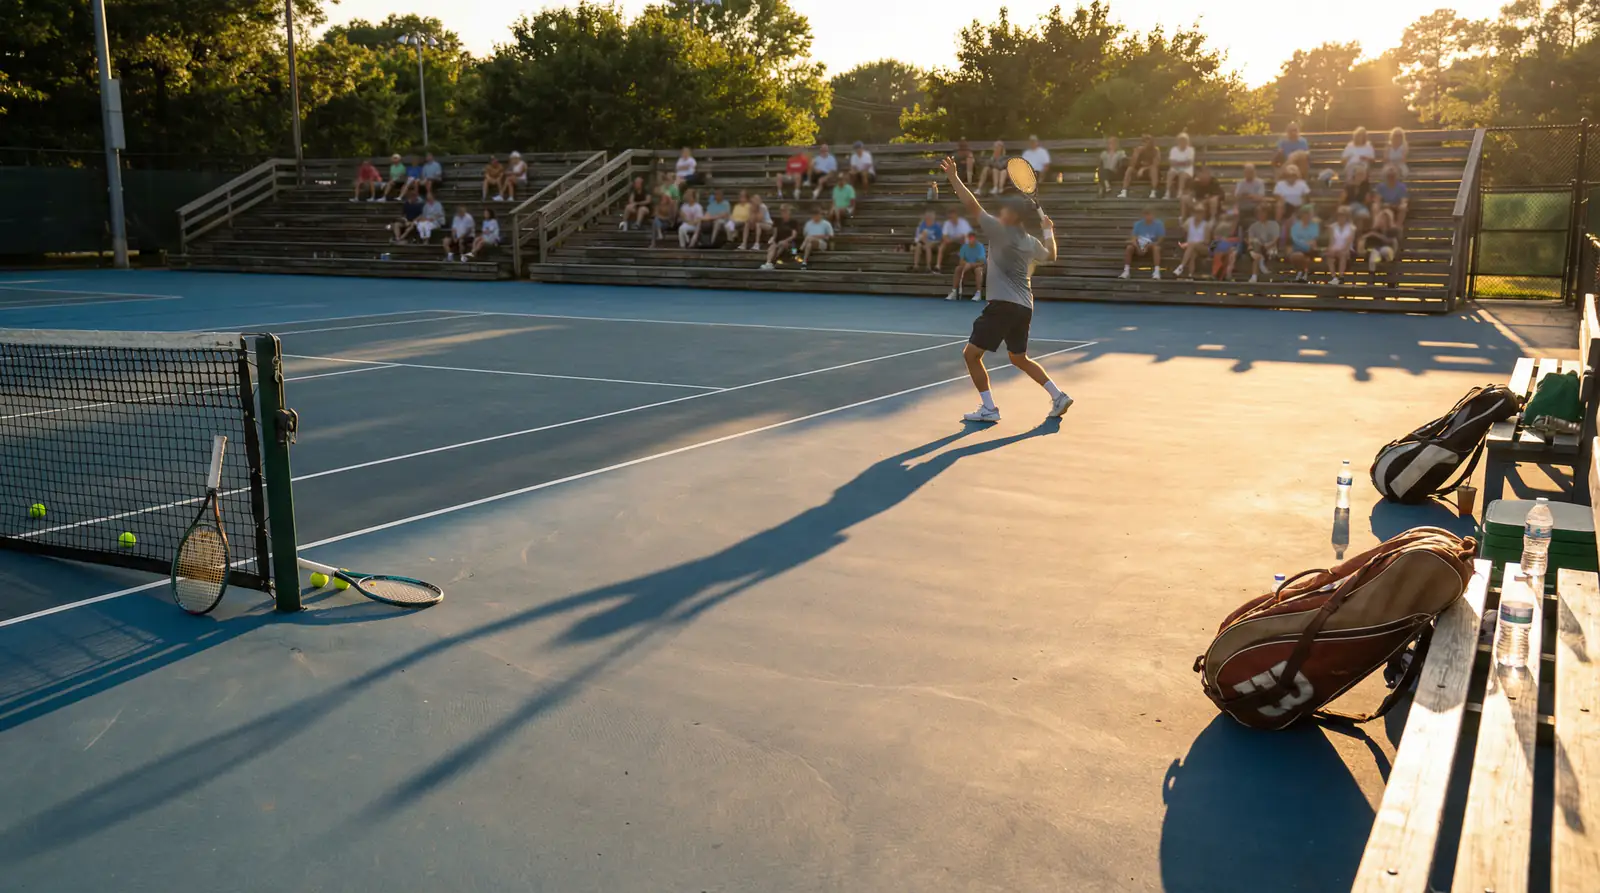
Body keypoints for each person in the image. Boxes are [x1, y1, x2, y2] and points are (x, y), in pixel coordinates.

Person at [939, 155, 1072, 423]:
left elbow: (972, 205)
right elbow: (1051, 255)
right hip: (1025, 308)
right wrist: (1049, 231)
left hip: (1002, 306)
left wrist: (954, 177)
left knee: (971, 355)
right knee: (1019, 358)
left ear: (1012, 216)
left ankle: (988, 408)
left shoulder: (999, 230)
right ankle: (1058, 396)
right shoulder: (1031, 241)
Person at [1120, 207, 1165, 279]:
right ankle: (1126, 271)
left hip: (1151, 245)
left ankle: (1156, 272)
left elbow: (1161, 238)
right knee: (1129, 248)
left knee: (1156, 248)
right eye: (1146, 215)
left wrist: (1150, 245)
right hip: (1139, 244)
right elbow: (1134, 238)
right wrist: (1138, 248)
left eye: (1150, 215)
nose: (1148, 217)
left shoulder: (1158, 224)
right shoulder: (1138, 224)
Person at [1273, 164, 1312, 242]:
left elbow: (1306, 197)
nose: (1291, 177)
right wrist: (1284, 203)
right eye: (1289, 175)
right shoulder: (1280, 184)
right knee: (1279, 205)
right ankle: (1279, 225)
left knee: (1307, 208)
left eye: (1293, 175)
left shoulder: (1302, 184)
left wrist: (1301, 206)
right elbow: (1277, 197)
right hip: (1285, 207)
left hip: (1298, 207)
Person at [1172, 204, 1212, 279]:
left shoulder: (1206, 225)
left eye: (1200, 212)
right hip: (1190, 247)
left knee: (1192, 245)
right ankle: (1190, 274)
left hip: (1203, 247)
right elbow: (1182, 231)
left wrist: (1192, 244)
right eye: (1197, 212)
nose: (1198, 214)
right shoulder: (1189, 221)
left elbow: (1207, 241)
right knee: (1192, 253)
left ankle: (1181, 267)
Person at [1245, 203, 1280, 283]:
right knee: (1256, 247)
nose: (1260, 215)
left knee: (1259, 253)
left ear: (1267, 213)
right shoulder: (1253, 226)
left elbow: (1276, 239)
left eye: (1262, 212)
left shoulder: (1274, 224)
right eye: (1258, 213)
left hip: (1270, 248)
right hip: (1257, 247)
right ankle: (1256, 272)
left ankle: (1255, 275)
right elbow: (1250, 240)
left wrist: (1268, 245)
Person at [1361, 208, 1401, 277]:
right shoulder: (1375, 230)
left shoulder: (1393, 230)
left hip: (1390, 252)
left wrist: (1376, 235)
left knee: (1385, 250)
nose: (1383, 221)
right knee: (1374, 254)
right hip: (1378, 252)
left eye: (1385, 219)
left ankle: (1389, 270)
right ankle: (1371, 277)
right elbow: (1364, 238)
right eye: (1382, 218)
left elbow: (1391, 241)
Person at [948, 231, 987, 301]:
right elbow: (961, 261)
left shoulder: (980, 247)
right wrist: (966, 264)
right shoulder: (964, 247)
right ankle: (954, 292)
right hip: (967, 267)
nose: (971, 239)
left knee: (978, 270)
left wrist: (971, 265)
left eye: (972, 237)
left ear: (976, 238)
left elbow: (981, 262)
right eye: (969, 238)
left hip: (977, 267)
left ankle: (978, 293)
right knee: (958, 268)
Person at [760, 206, 801, 270]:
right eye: (783, 212)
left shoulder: (793, 222)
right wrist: (773, 240)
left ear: (789, 213)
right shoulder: (778, 221)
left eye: (786, 212)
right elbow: (775, 234)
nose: (784, 213)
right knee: (773, 246)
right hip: (778, 242)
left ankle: (773, 262)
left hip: (790, 243)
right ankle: (768, 263)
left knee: (782, 244)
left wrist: (785, 241)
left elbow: (793, 236)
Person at [1287, 205, 1321, 283]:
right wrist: (1305, 243)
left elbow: (1313, 239)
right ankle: (1304, 272)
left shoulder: (1315, 226)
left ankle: (1301, 273)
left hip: (1310, 249)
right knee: (1296, 256)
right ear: (1303, 214)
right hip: (1298, 248)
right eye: (1307, 214)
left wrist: (1304, 242)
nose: (1309, 216)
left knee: (1305, 256)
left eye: (1310, 214)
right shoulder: (1295, 226)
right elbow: (1295, 239)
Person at [1120, 135, 1161, 199]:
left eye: (1148, 142)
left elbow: (1156, 164)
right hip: (1138, 172)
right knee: (1130, 169)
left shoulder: (1156, 151)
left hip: (1150, 172)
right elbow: (1132, 164)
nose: (1146, 144)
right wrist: (1135, 154)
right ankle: (1124, 191)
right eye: (1144, 142)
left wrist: (1143, 169)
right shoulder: (1139, 150)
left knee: (1154, 169)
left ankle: (1153, 191)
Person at [1326, 205, 1357, 285]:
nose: (1340, 217)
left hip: (1347, 249)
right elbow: (1331, 242)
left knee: (1343, 254)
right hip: (1335, 248)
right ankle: (1334, 277)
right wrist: (1331, 249)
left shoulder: (1352, 228)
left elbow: (1348, 243)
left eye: (1342, 215)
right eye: (1339, 215)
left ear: (1346, 217)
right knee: (1329, 255)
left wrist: (1341, 250)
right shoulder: (1332, 227)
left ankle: (1341, 277)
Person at [1341, 163, 1375, 229]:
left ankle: (1358, 234)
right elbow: (1342, 199)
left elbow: (1367, 201)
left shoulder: (1366, 186)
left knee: (1362, 215)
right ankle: (1349, 231)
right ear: (1355, 175)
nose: (1361, 176)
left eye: (1363, 174)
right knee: (1347, 212)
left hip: (1361, 206)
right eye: (1359, 174)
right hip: (1349, 205)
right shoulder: (1348, 185)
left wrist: (1367, 200)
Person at [1210, 210, 1241, 280]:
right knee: (1220, 250)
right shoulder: (1216, 228)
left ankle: (1219, 274)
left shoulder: (1236, 230)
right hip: (1216, 245)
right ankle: (1216, 273)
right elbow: (1212, 246)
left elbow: (1235, 238)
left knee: (1229, 252)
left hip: (1229, 246)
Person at [1165, 132, 1195, 200]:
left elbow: (1189, 163)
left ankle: (1180, 193)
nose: (1182, 142)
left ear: (1187, 141)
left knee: (1182, 174)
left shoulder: (1191, 150)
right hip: (1175, 168)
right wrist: (1182, 162)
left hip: (1187, 169)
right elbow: (1171, 162)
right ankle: (1167, 192)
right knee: (1170, 173)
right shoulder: (1174, 149)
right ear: (1178, 141)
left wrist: (1177, 163)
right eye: (1181, 140)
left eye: (1184, 140)